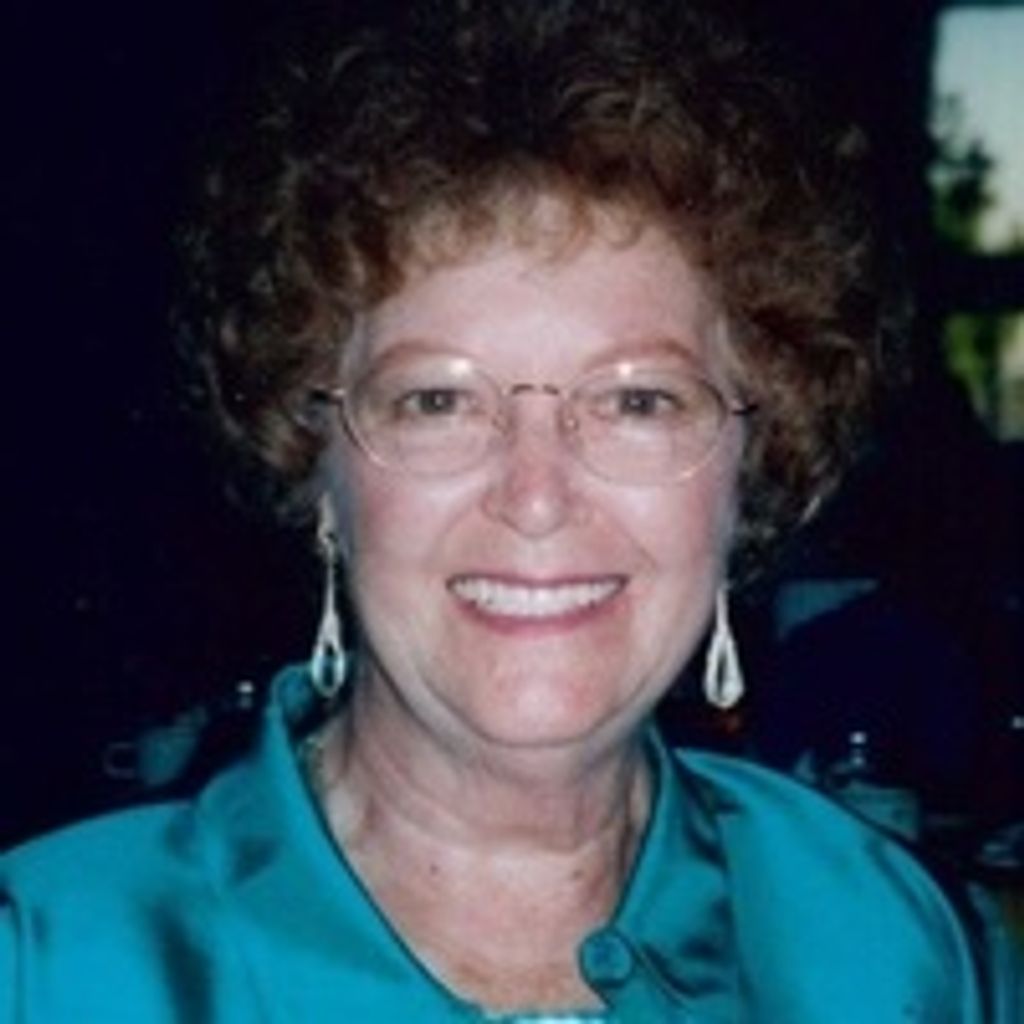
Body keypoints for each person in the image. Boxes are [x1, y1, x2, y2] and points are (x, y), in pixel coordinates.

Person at [0, 1, 1006, 1019]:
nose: (535, 497)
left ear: (753, 461)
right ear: (315, 469)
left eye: (637, 401)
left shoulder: (899, 950)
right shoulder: (46, 965)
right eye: (437, 401)